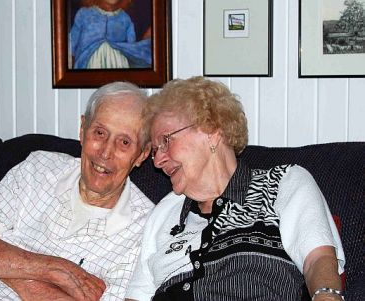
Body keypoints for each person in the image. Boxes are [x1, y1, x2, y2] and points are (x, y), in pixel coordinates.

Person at [125, 76, 345, 301]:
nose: (158, 160)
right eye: (154, 150)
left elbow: (318, 260)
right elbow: (137, 296)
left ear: (211, 130)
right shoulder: (165, 212)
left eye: (166, 141)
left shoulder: (281, 183)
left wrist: (327, 296)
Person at [0, 82, 154, 301]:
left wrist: (11, 270)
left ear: (142, 154)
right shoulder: (38, 168)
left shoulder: (145, 229)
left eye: (124, 142)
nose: (106, 152)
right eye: (99, 133)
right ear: (82, 129)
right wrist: (55, 271)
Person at [70, 0, 151, 69]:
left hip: (118, 64)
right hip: (87, 64)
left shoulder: (125, 18)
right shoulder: (84, 13)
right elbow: (71, 44)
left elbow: (131, 48)